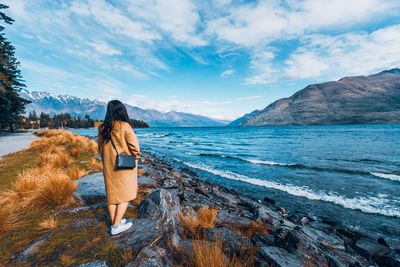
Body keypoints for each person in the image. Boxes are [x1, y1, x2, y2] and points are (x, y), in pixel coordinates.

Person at [98, 100, 141, 235]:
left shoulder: (102, 128)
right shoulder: (125, 126)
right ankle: (116, 227)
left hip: (109, 166)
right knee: (126, 196)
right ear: (121, 111)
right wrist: (136, 157)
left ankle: (115, 222)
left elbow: (100, 149)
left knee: (112, 196)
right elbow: (135, 147)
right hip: (124, 167)